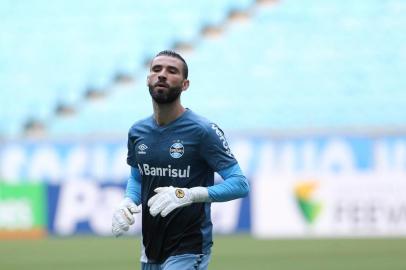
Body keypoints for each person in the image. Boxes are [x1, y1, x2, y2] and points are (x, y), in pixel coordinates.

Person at [111, 50, 249, 270]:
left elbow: (240, 184)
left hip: (189, 247)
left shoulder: (203, 131)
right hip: (151, 250)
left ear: (185, 85)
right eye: (157, 69)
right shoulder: (137, 132)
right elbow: (138, 178)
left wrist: (189, 195)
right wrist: (128, 201)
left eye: (171, 71)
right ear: (148, 79)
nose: (162, 75)